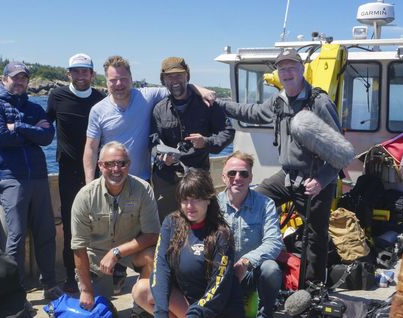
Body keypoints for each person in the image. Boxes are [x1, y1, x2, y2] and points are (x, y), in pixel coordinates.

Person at [218, 48, 343, 284]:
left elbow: (341, 150)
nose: (286, 73)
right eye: (282, 68)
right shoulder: (278, 101)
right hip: (287, 176)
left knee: (315, 236)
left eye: (291, 67)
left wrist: (321, 181)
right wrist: (220, 105)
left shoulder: (319, 102)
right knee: (252, 199)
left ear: (301, 69)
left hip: (314, 180)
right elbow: (252, 113)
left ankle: (312, 289)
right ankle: (249, 262)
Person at [0, 61, 62, 299]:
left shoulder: (34, 107)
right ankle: (14, 291)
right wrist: (30, 132)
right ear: (4, 79)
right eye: (15, 77)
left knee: (45, 232)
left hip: (38, 177)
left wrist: (17, 126)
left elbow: (47, 136)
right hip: (11, 178)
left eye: (23, 78)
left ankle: (49, 284)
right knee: (15, 235)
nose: (19, 82)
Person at [133, 168, 246, 318]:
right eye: (185, 200)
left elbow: (217, 291)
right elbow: (160, 269)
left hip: (220, 308)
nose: (190, 206)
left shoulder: (221, 234)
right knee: (141, 289)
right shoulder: (171, 223)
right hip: (188, 302)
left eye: (196, 200)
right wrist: (161, 315)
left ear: (208, 199)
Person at [83, 55, 216, 184]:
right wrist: (89, 184)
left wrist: (200, 90)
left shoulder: (147, 96)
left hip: (142, 181)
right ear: (106, 81)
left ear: (131, 78)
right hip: (110, 179)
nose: (119, 84)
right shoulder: (97, 110)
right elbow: (91, 149)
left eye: (123, 78)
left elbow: (176, 87)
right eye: (113, 80)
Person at [71, 141, 160, 318]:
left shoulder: (143, 190)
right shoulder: (84, 196)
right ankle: (98, 293)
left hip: (128, 249)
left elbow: (152, 234)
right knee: (99, 313)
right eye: (109, 164)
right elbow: (78, 247)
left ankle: (141, 312)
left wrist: (116, 252)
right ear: (100, 165)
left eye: (121, 163)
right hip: (95, 255)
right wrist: (86, 290)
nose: (116, 169)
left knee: (153, 255)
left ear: (129, 164)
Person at [46, 53, 105, 293]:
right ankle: (72, 276)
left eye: (85, 71)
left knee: (100, 223)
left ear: (92, 74)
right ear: (68, 73)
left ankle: (99, 273)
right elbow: (43, 125)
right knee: (71, 225)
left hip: (98, 171)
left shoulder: (102, 99)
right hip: (69, 171)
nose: (81, 76)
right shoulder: (56, 96)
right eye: (76, 71)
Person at [150, 57, 235, 221]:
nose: (174, 80)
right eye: (170, 77)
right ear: (163, 80)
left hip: (197, 176)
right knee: (167, 225)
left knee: (201, 224)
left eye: (179, 75)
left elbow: (228, 131)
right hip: (167, 178)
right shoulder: (159, 109)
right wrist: (161, 156)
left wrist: (206, 142)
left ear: (187, 77)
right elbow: (152, 141)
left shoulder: (207, 104)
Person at [218, 151, 283, 318]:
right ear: (223, 177)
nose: (237, 178)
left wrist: (246, 261)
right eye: (232, 173)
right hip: (223, 273)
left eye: (243, 174)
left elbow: (274, 243)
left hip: (253, 272)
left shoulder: (266, 204)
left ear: (250, 177)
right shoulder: (213, 205)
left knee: (271, 269)